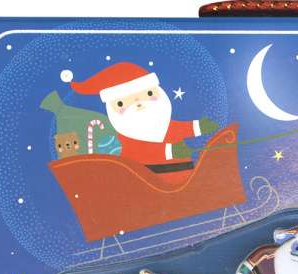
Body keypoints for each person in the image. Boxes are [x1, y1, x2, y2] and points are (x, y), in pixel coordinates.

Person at [70, 62, 220, 184]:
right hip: (150, 181)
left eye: (148, 94)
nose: (138, 103)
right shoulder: (128, 136)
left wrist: (199, 127)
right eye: (122, 103)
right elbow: (140, 151)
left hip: (185, 176)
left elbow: (177, 129)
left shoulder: (162, 124)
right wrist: (171, 151)